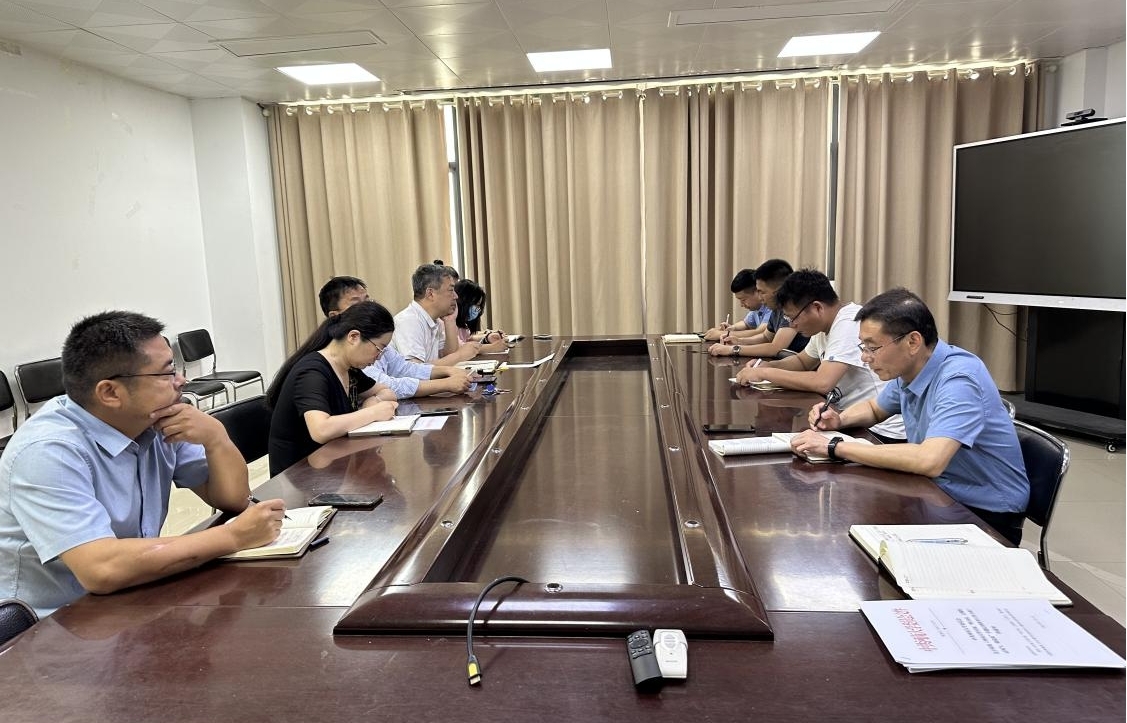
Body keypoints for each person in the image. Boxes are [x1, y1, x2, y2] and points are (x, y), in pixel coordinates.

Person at [0, 311, 285, 617]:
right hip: (50, 623)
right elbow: (100, 568)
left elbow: (231, 499)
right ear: (110, 392)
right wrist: (233, 537)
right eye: (167, 373)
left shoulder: (157, 421)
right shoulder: (48, 452)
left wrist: (217, 439)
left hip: (131, 593)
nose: (182, 381)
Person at [788, 288, 1029, 544]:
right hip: (937, 489)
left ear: (913, 342)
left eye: (872, 347)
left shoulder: (959, 379)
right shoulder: (912, 369)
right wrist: (839, 420)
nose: (865, 357)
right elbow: (875, 408)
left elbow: (929, 460)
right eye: (863, 347)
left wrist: (835, 446)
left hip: (984, 511)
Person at [735, 269, 906, 442]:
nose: (792, 325)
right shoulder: (822, 327)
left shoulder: (848, 323)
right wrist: (766, 365)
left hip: (879, 430)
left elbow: (822, 382)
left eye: (793, 318)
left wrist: (765, 373)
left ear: (817, 308)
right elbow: (802, 361)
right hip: (847, 419)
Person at [266, 301, 400, 476]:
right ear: (353, 337)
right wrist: (373, 413)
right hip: (300, 475)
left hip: (332, 463)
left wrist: (374, 401)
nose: (378, 357)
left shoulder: (349, 368)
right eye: (378, 349)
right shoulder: (312, 372)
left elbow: (387, 392)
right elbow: (321, 430)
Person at [318, 276, 472, 398]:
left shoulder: (373, 337)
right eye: (356, 303)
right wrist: (446, 384)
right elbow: (387, 385)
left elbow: (403, 368)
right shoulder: (344, 351)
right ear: (334, 316)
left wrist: (447, 371)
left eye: (367, 300)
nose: (367, 308)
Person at [708, 258, 808, 359]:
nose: (760, 298)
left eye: (762, 292)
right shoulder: (776, 308)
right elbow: (766, 337)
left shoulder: (793, 308)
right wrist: (739, 341)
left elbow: (776, 348)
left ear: (779, 290)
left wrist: (734, 349)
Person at [391, 263, 487, 365]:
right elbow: (415, 370)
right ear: (430, 294)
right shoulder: (409, 321)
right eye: (451, 290)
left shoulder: (435, 320)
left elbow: (447, 357)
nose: (456, 296)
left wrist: (450, 321)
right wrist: (459, 355)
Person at [703, 268, 771, 341]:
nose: (741, 305)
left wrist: (722, 334)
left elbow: (761, 332)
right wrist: (731, 328)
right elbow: (746, 323)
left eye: (743, 300)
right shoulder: (756, 308)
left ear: (757, 292)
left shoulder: (771, 306)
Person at [452, 278, 507, 353]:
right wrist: (492, 348)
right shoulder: (448, 322)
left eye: (479, 305)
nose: (477, 309)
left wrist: (487, 338)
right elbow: (459, 348)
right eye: (475, 304)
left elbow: (467, 339)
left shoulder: (462, 324)